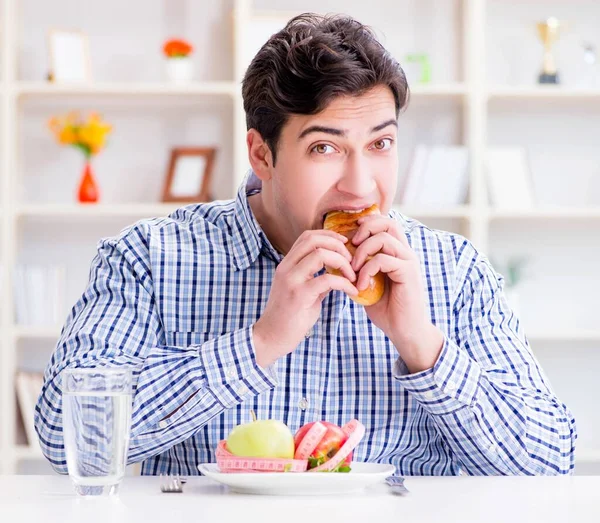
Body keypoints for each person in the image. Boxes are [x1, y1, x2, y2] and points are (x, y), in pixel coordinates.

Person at [35, 13, 576, 476]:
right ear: (261, 154)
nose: (362, 185)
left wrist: (423, 347)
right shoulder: (150, 257)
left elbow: (552, 460)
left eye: (381, 144)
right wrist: (259, 344)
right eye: (325, 148)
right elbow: (66, 436)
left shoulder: (454, 269)